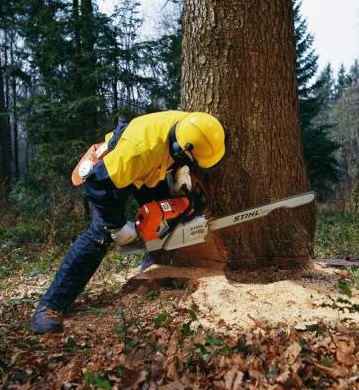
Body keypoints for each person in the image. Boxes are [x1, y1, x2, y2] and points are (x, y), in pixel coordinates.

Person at [30, 110, 226, 334]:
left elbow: (183, 151)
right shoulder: (134, 154)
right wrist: (116, 226)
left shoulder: (194, 126)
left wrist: (181, 171)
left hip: (153, 165)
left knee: (170, 213)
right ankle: (50, 306)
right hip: (114, 170)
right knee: (99, 236)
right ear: (180, 149)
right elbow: (96, 186)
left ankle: (152, 264)